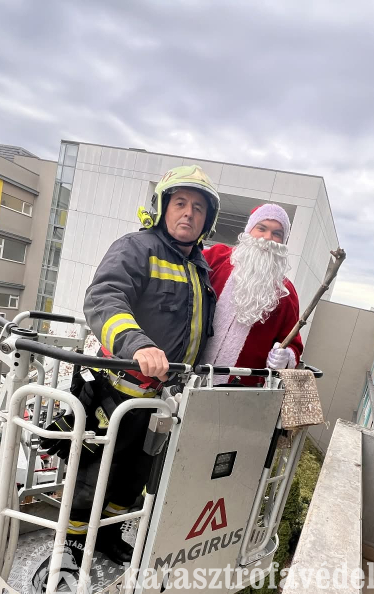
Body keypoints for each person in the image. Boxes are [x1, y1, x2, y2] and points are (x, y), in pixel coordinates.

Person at [48, 165, 219, 565]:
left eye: (197, 208)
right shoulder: (137, 247)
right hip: (116, 394)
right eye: (180, 203)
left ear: (206, 220)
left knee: (132, 480)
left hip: (160, 401)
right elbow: (103, 299)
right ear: (163, 207)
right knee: (94, 476)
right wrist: (137, 343)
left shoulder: (199, 266)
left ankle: (106, 538)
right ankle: (71, 548)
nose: (188, 213)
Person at [201, 204, 303, 384]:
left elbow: (293, 342)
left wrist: (286, 356)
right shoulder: (216, 258)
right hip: (190, 375)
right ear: (249, 231)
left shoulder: (285, 292)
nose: (267, 238)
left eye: (276, 233)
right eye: (261, 229)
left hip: (241, 390)